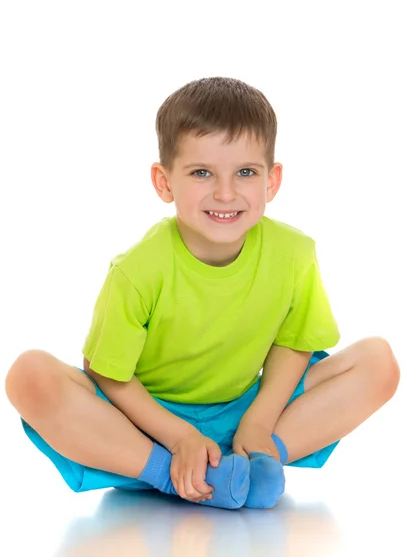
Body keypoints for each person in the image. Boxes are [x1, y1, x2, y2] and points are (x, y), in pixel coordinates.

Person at [5, 77, 400, 510]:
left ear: (272, 181)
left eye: (245, 172)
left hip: (244, 412)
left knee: (378, 363)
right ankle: (174, 475)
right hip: (142, 425)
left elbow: (295, 343)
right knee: (30, 376)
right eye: (201, 172)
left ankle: (256, 459)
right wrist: (177, 438)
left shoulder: (295, 254)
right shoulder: (138, 270)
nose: (225, 192)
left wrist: (259, 421)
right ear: (164, 182)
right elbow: (108, 373)